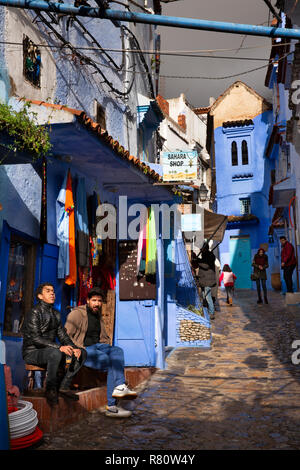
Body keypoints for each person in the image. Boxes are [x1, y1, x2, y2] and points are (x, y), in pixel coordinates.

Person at [65, 287, 137, 418]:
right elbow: (66, 335)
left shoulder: (97, 315)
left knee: (117, 351)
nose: (97, 303)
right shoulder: (76, 314)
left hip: (98, 346)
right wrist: (76, 348)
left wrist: (106, 345)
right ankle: (112, 405)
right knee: (110, 363)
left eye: (99, 301)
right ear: (87, 300)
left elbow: (103, 336)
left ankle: (120, 386)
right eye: (94, 300)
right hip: (83, 349)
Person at [22, 283, 86, 406]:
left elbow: (63, 336)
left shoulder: (56, 314)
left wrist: (74, 348)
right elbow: (35, 339)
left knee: (82, 353)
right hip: (32, 352)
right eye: (48, 291)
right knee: (56, 353)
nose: (52, 293)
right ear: (40, 296)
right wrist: (59, 347)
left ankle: (63, 387)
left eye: (53, 291)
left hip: (50, 351)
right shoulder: (34, 312)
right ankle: (51, 390)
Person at [192, 241, 216, 320]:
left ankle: (211, 312)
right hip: (203, 279)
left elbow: (206, 266)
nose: (200, 250)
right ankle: (205, 311)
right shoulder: (205, 255)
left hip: (207, 280)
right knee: (204, 297)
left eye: (201, 248)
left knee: (207, 297)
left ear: (204, 248)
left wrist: (198, 261)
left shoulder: (210, 255)